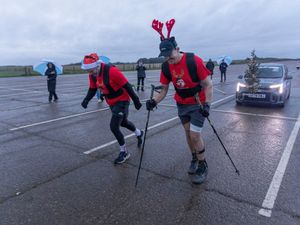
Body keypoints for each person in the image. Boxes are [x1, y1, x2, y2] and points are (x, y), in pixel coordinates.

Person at [148, 19, 213, 184]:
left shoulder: (193, 60)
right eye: (164, 56)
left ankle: (202, 164)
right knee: (187, 133)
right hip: (181, 103)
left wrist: (207, 105)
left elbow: (208, 84)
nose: (167, 59)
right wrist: (154, 102)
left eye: (169, 55)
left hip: (198, 102)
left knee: (195, 134)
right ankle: (194, 157)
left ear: (177, 49)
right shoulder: (165, 67)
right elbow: (163, 89)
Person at [81, 53, 144, 164]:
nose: (90, 73)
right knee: (123, 123)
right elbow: (92, 88)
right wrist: (86, 100)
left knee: (114, 126)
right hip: (111, 102)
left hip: (122, 100)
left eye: (91, 70)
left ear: (97, 65)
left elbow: (127, 86)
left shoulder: (111, 71)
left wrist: (136, 101)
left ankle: (124, 152)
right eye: (88, 71)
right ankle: (138, 132)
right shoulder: (92, 75)